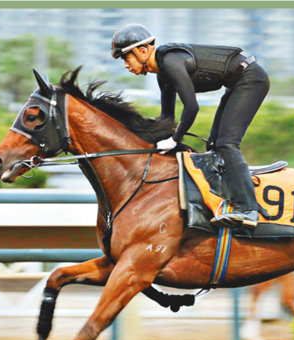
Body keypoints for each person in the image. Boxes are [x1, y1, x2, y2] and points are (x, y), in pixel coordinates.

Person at [111, 23, 270, 229]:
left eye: (125, 57)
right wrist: (142, 135)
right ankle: (229, 200)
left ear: (142, 51)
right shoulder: (163, 75)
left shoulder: (170, 62)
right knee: (213, 145)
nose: (125, 65)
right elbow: (167, 117)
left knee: (226, 145)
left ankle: (248, 209)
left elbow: (191, 107)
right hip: (236, 83)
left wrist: (175, 139)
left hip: (251, 79)